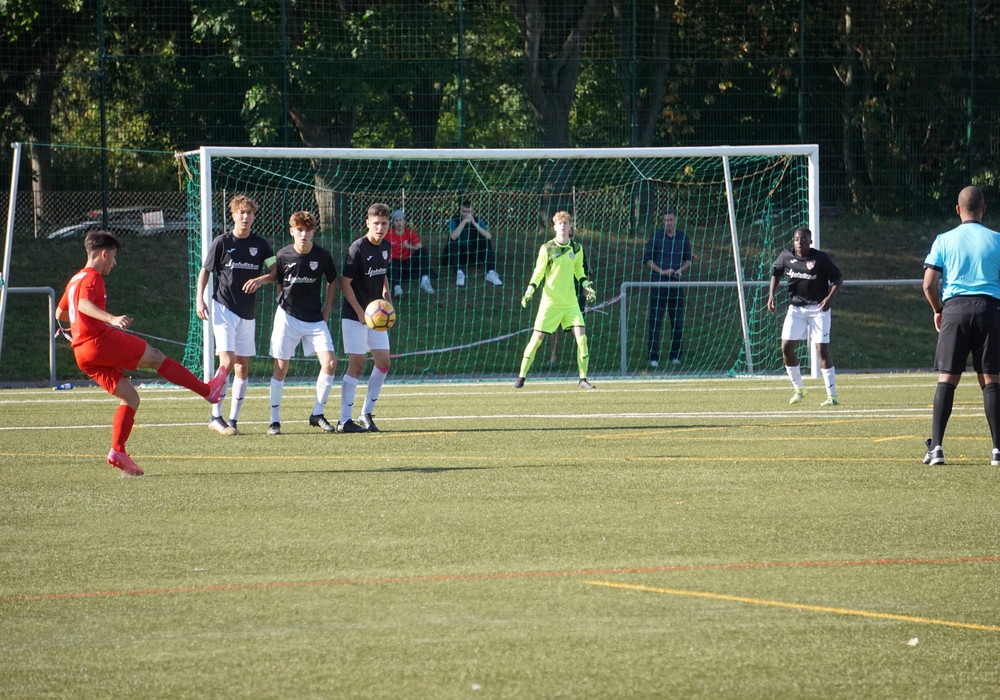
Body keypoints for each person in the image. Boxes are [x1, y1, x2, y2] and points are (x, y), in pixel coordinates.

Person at [56, 231, 228, 476]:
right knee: (156, 357)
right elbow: (83, 304)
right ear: (103, 254)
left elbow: (61, 313)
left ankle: (117, 451)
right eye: (113, 256)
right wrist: (111, 319)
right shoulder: (93, 277)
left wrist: (79, 327)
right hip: (98, 342)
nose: (114, 262)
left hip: (82, 354)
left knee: (130, 398)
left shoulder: (75, 279)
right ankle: (208, 391)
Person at [921, 185, 1000, 466]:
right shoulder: (997, 240)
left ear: (957, 209)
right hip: (990, 309)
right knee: (991, 380)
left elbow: (929, 285)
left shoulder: (944, 240)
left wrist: (938, 310)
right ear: (984, 209)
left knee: (947, 379)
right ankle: (997, 450)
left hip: (954, 311)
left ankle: (937, 448)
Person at [196, 194, 276, 436]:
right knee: (227, 362)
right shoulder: (222, 242)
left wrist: (261, 280)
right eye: (241, 212)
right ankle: (215, 416)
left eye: (249, 213)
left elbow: (276, 272)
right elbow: (205, 271)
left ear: (253, 216)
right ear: (233, 215)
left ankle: (232, 420)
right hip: (223, 308)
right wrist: (199, 299)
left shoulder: (261, 245)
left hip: (247, 312)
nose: (245, 216)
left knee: (242, 367)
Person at [264, 211, 340, 435]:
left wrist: (326, 309)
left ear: (313, 231)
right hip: (287, 317)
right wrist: (281, 302)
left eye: (307, 230)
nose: (303, 234)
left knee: (330, 363)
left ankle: (317, 414)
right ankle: (274, 421)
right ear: (292, 231)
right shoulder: (283, 255)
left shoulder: (322, 256)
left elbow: (332, 281)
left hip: (315, 318)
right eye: (299, 230)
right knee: (280, 367)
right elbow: (279, 281)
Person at [513, 211, 597, 390]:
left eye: (566, 223)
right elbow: (539, 272)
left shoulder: (577, 248)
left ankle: (583, 379)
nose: (563, 226)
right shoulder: (547, 248)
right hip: (550, 302)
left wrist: (586, 285)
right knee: (537, 339)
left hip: (570, 303)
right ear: (554, 227)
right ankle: (521, 377)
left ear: (570, 227)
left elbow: (579, 271)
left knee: (582, 339)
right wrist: (530, 289)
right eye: (560, 223)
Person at [767, 226, 843, 406]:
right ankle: (799, 389)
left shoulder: (821, 258)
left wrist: (829, 299)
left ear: (810, 241)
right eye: (796, 239)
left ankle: (832, 396)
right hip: (796, 309)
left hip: (818, 309)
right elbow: (776, 273)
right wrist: (771, 295)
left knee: (821, 350)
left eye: (803, 239)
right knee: (786, 348)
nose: (799, 243)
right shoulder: (786, 256)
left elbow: (838, 279)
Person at [337, 202, 394, 433]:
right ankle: (344, 421)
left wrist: (387, 298)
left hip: (377, 317)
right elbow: (345, 283)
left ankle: (365, 413)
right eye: (376, 223)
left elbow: (383, 275)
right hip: (355, 316)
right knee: (357, 364)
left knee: (384, 363)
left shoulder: (386, 247)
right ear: (368, 223)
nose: (380, 228)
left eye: (384, 223)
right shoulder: (357, 248)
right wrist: (360, 312)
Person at [643, 208, 692, 367]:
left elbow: (688, 260)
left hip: (676, 286)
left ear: (675, 220)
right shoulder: (656, 237)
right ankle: (653, 357)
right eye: (665, 221)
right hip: (659, 285)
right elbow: (647, 260)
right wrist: (662, 271)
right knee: (656, 321)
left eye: (670, 220)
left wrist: (679, 270)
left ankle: (675, 356)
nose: (668, 223)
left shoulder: (683, 237)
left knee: (677, 321)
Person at [440, 200, 503, 287]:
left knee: (486, 240)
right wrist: (464, 222)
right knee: (452, 241)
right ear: (460, 212)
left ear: (473, 212)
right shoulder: (454, 221)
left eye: (469, 212)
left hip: (472, 254)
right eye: (464, 212)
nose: (467, 214)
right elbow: (453, 237)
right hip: (457, 254)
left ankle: (490, 272)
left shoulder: (478, 221)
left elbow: (489, 236)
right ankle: (459, 273)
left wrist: (475, 224)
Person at [387, 209, 434, 296]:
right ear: (393, 223)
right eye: (396, 221)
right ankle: (397, 287)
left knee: (423, 251)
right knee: (393, 261)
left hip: (407, 262)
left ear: (405, 222)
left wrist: (410, 246)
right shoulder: (388, 234)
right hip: (394, 263)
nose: (399, 223)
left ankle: (425, 281)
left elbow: (420, 247)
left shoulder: (410, 232)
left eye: (401, 220)